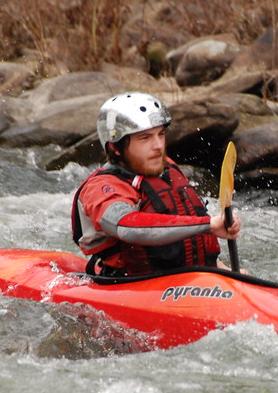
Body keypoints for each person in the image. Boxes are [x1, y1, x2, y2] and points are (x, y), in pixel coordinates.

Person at [71, 91, 241, 277]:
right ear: (115, 147)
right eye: (145, 138)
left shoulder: (168, 169)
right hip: (133, 287)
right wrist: (209, 224)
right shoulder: (101, 187)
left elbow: (191, 237)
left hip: (195, 281)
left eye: (160, 134)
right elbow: (126, 227)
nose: (158, 146)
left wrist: (222, 269)